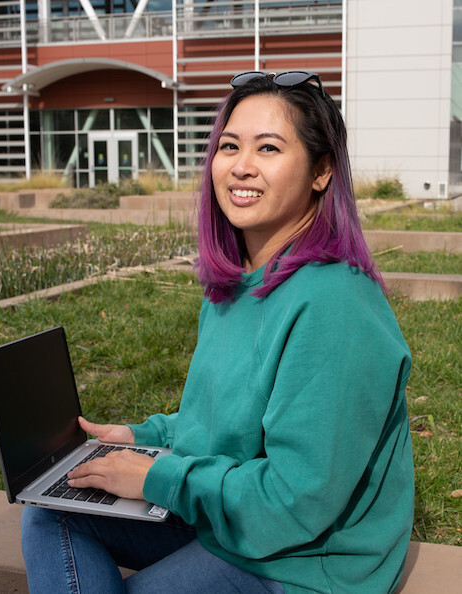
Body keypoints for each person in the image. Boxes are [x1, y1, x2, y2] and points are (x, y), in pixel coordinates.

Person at [21, 71, 415, 593]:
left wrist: (157, 477)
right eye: (229, 146)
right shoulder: (234, 286)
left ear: (321, 171)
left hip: (305, 558)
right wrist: (146, 438)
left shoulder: (333, 305)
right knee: (50, 513)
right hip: (236, 516)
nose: (241, 167)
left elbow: (298, 498)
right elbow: (233, 416)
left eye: (269, 148)